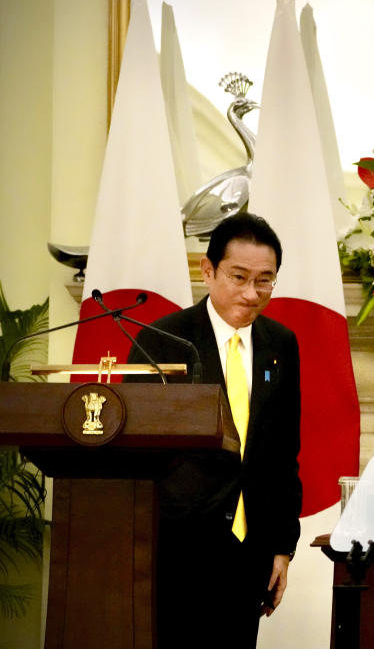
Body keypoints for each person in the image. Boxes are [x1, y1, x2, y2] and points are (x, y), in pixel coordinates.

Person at [127, 212, 302, 648]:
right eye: (239, 277)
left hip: (250, 548)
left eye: (265, 280)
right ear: (208, 271)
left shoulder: (281, 343)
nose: (251, 293)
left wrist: (282, 547)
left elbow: (283, 452)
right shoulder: (161, 340)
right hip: (177, 548)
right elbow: (134, 450)